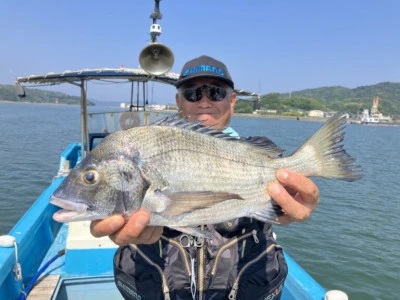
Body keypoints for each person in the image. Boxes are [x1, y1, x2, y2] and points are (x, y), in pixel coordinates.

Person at [90, 55, 319, 300]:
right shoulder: (150, 149)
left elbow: (275, 207)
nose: (205, 101)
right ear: (179, 101)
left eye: (216, 92)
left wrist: (286, 210)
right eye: (193, 93)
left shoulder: (257, 154)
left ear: (232, 101)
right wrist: (118, 223)